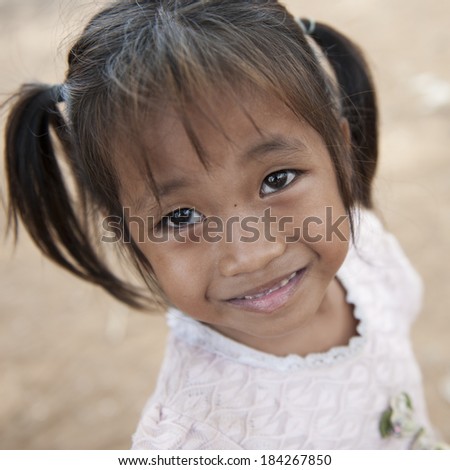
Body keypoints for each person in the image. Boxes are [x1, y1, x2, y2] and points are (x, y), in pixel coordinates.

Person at [2, 0, 447, 450]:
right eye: (180, 217)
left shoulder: (371, 256)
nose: (253, 254)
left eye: (278, 179)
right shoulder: (199, 439)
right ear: (125, 232)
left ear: (341, 154)